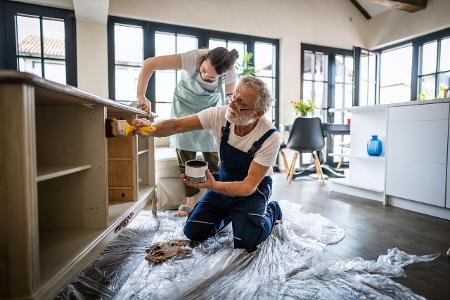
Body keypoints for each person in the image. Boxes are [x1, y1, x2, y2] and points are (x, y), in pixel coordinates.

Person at [133, 76, 283, 253]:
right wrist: (150, 129)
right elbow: (178, 125)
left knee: (247, 242)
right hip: (224, 182)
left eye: (240, 102)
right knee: (193, 232)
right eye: (233, 96)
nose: (232, 104)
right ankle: (230, 213)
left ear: (257, 113)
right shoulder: (220, 114)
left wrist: (213, 185)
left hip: (253, 190)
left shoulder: (270, 137)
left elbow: (248, 187)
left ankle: (273, 210)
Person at [136, 47, 239, 217]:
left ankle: (218, 200)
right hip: (184, 108)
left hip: (210, 110)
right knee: (186, 157)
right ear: (204, 58)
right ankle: (189, 201)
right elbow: (150, 63)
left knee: (214, 158)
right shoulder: (192, 58)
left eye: (212, 77)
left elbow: (229, 98)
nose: (206, 76)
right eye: (204, 70)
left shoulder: (230, 73)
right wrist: (141, 94)